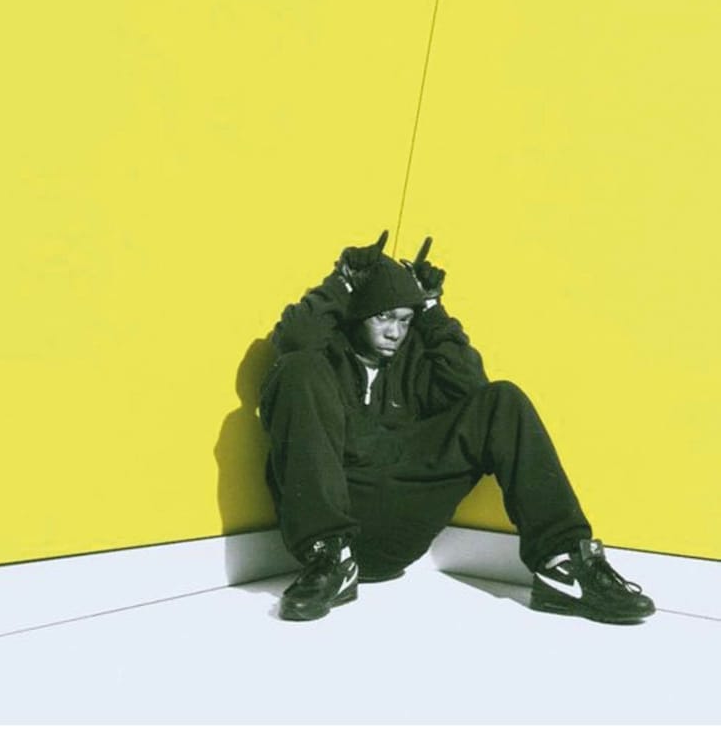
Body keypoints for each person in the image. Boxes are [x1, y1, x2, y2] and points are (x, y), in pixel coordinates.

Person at [259, 230, 656, 625]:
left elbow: (473, 391)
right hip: (336, 514)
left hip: (401, 516)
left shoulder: (415, 359)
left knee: (503, 398)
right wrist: (341, 282)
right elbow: (292, 339)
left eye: (405, 320)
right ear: (359, 313)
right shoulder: (327, 356)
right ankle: (330, 557)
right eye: (383, 317)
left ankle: (564, 565)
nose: (395, 332)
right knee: (296, 367)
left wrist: (432, 310)